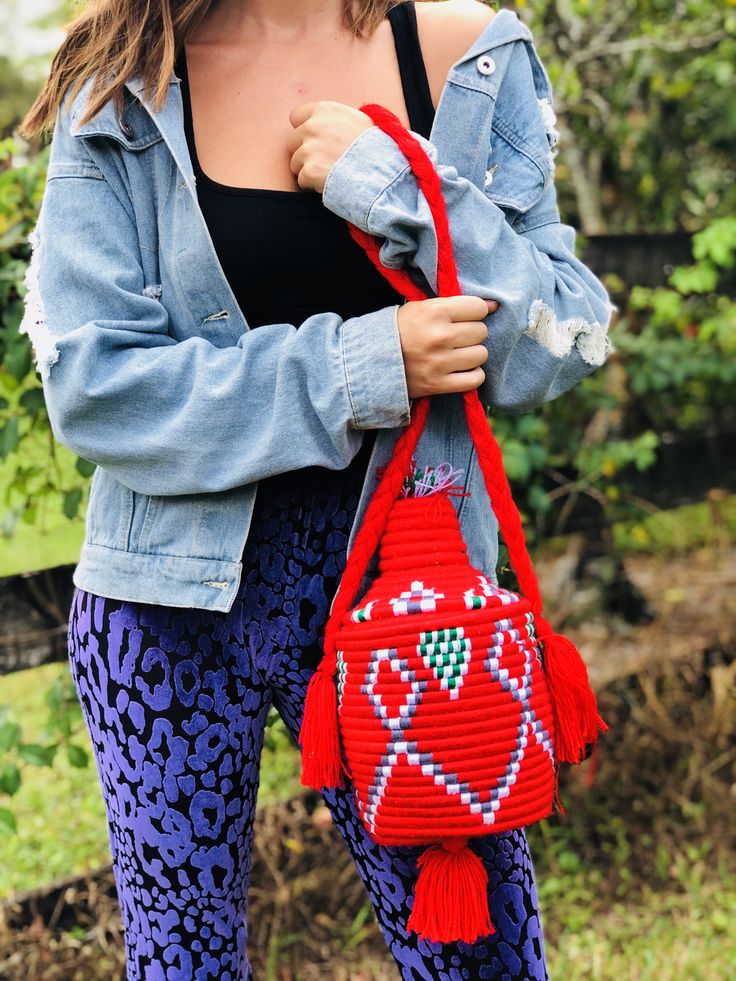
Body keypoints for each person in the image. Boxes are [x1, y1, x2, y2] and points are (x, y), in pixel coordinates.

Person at [18, 1, 615, 977]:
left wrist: (402, 191)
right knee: (183, 966)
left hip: (413, 603)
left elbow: (562, 337)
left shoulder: (464, 55)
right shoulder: (125, 78)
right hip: (165, 607)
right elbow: (93, 389)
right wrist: (363, 365)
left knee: (478, 957)